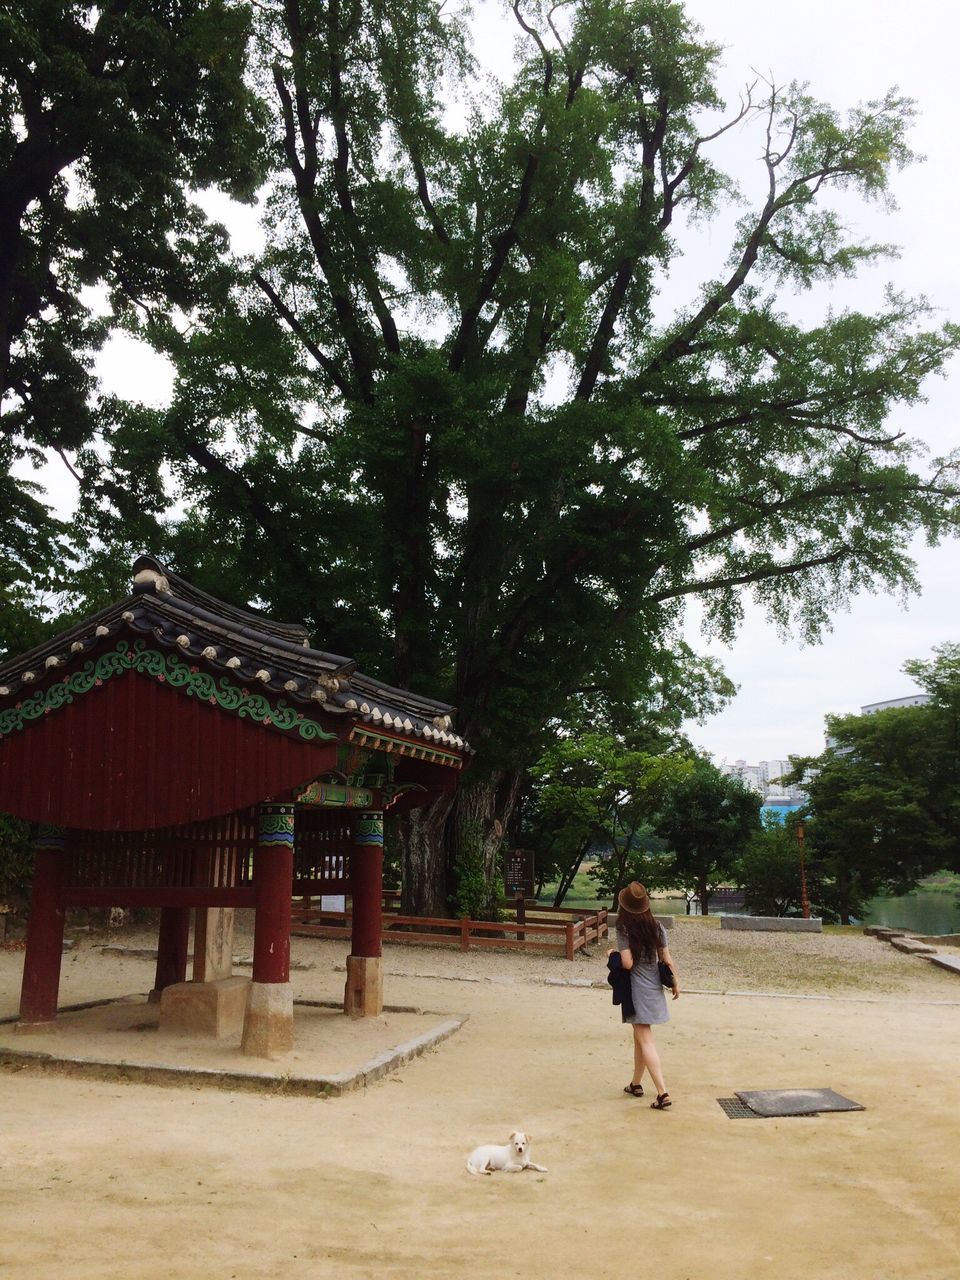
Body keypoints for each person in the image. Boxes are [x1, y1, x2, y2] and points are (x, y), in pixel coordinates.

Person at [608, 881, 679, 1110]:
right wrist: (675, 982)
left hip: (636, 990)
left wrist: (612, 954)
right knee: (640, 1036)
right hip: (654, 988)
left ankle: (662, 1092)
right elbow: (666, 959)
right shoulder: (657, 927)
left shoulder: (624, 928)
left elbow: (627, 963)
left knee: (645, 1038)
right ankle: (636, 1083)